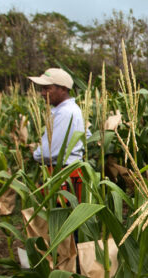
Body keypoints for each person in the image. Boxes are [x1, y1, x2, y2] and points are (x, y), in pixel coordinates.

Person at [29, 68, 91, 201]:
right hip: (65, 172)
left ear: (63, 89)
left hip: (63, 174)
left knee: (60, 217)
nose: (42, 93)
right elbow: (87, 136)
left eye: (47, 89)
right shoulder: (66, 110)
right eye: (42, 89)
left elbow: (50, 152)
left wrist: (35, 153)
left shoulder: (65, 113)